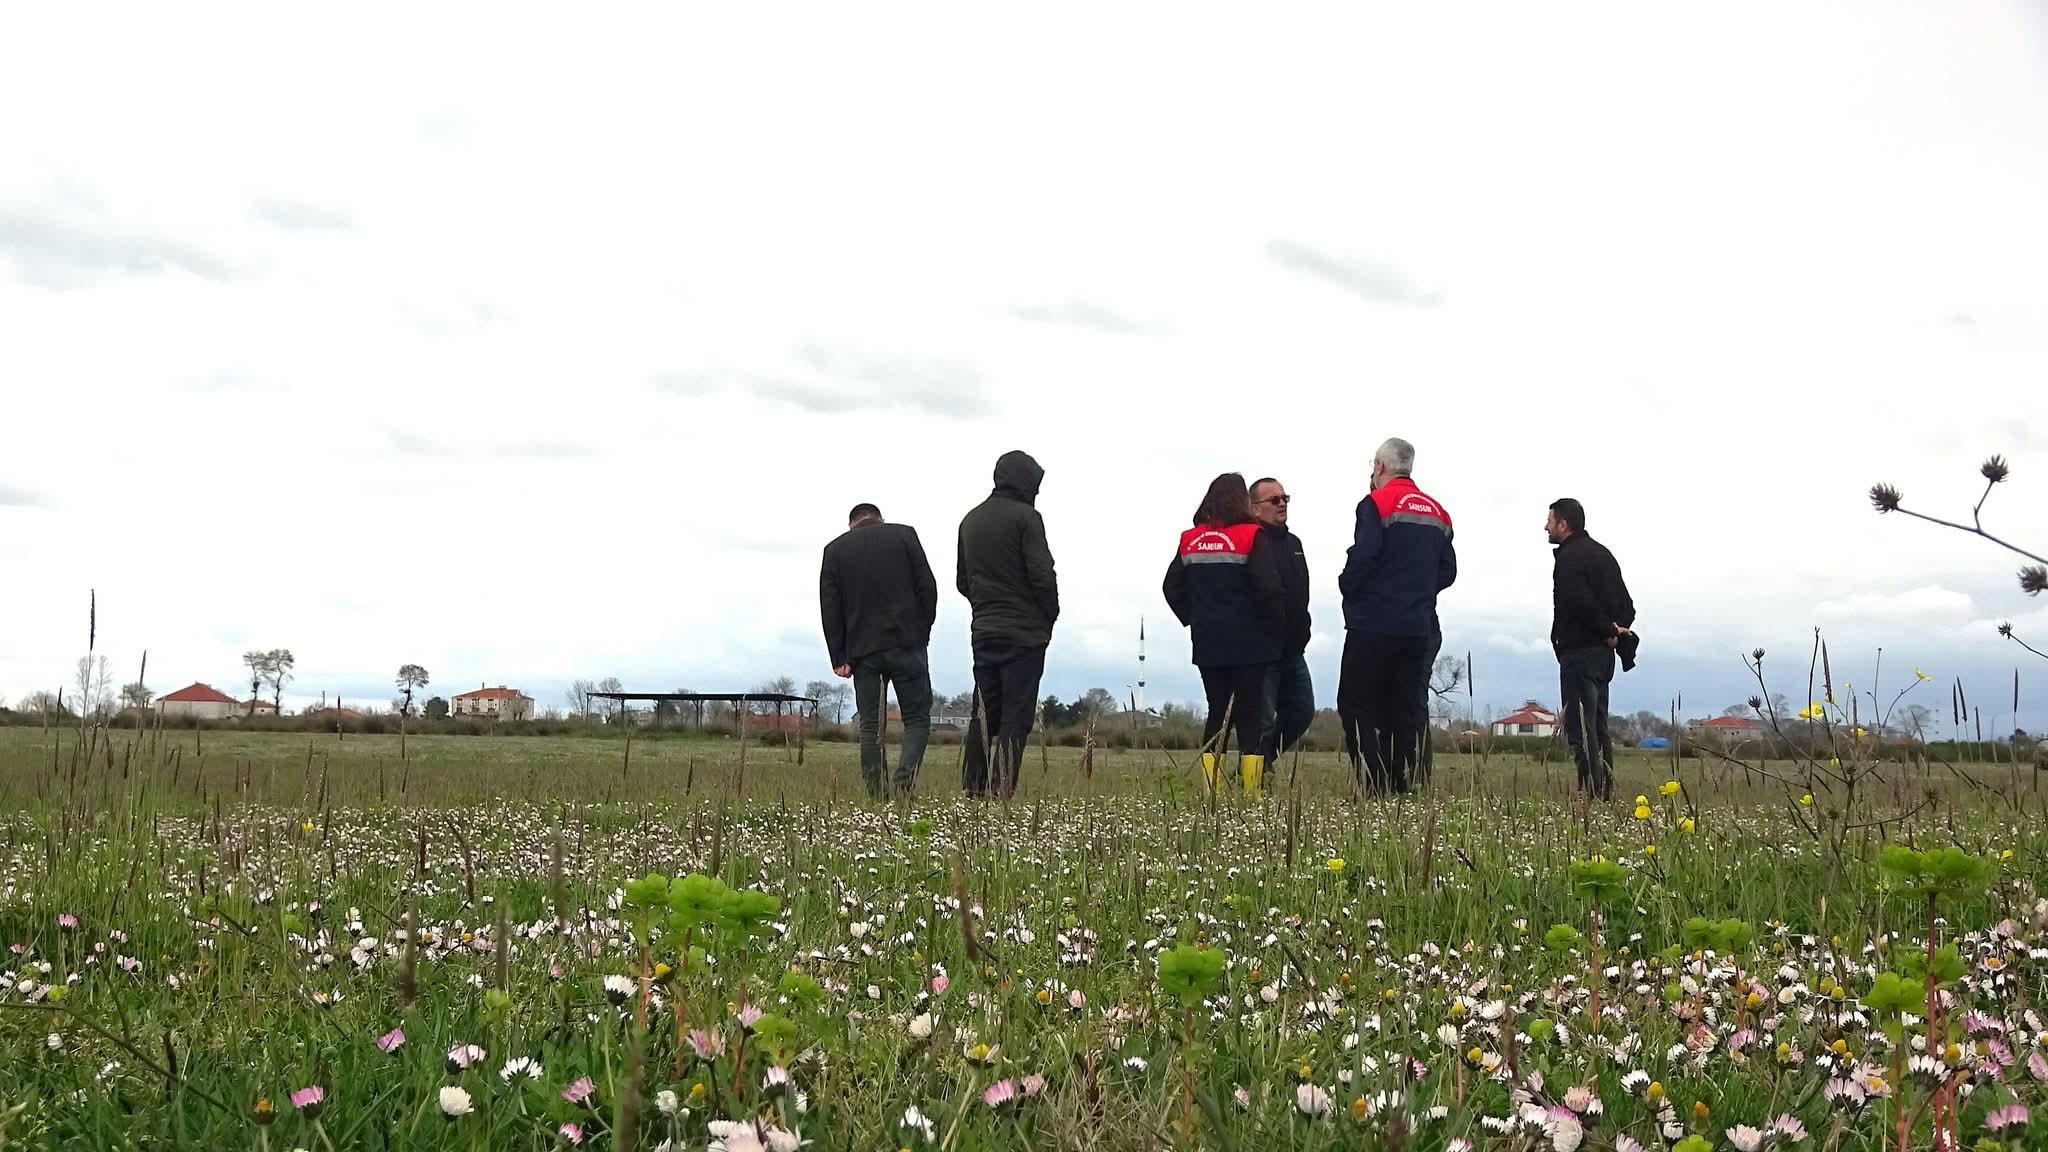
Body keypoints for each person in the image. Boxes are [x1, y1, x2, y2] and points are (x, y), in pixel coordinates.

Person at [1336, 438, 1456, 795]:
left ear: (1380, 467)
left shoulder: (1376, 503)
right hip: (1418, 626)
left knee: (1356, 703)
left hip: (1373, 623)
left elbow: (1364, 556)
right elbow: (1447, 571)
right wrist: (1418, 592)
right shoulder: (1438, 512)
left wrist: (1349, 587)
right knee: (1405, 707)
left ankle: (1376, 783)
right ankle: (1407, 784)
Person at [1164, 473, 1287, 796]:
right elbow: (1268, 589)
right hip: (1250, 644)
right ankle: (1250, 793)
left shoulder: (1190, 540)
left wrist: (1195, 618)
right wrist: (1274, 629)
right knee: (1249, 717)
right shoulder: (1251, 536)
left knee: (1217, 712)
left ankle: (1210, 791)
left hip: (1208, 644)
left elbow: (1171, 587)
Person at [956, 451, 1059, 798]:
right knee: (1016, 717)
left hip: (984, 631)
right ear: (1025, 482)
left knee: (982, 714)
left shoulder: (970, 520)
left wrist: (984, 607)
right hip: (1025, 635)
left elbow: (962, 581)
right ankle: (1001, 792)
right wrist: (1049, 615)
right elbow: (1042, 575)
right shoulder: (1028, 519)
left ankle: (972, 790)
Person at [819, 503, 938, 800]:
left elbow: (829, 606)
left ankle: (877, 795)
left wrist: (839, 657)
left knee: (870, 724)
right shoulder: (905, 536)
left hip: (863, 651)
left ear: (851, 524)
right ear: (880, 519)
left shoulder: (834, 550)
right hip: (908, 643)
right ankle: (905, 779)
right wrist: (923, 629)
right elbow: (928, 586)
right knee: (918, 719)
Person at [1546, 497, 1635, 801]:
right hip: (1602, 657)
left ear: (1563, 524)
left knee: (1581, 729)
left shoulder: (1570, 559)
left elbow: (1578, 601)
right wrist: (1616, 630)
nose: (1545, 526)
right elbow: (1627, 606)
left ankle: (1591, 793)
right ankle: (1604, 790)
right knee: (1599, 726)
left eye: (1550, 520)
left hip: (1579, 653)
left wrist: (1608, 630)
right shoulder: (1603, 556)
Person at [1249, 477, 1314, 760]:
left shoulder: (1293, 543)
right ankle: (1252, 776)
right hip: (1263, 649)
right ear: (1254, 508)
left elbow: (1302, 589)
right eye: (1273, 500)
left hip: (1294, 647)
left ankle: (1262, 762)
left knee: (1302, 712)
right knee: (1262, 721)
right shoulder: (1250, 541)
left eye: (1284, 498)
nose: (1281, 504)